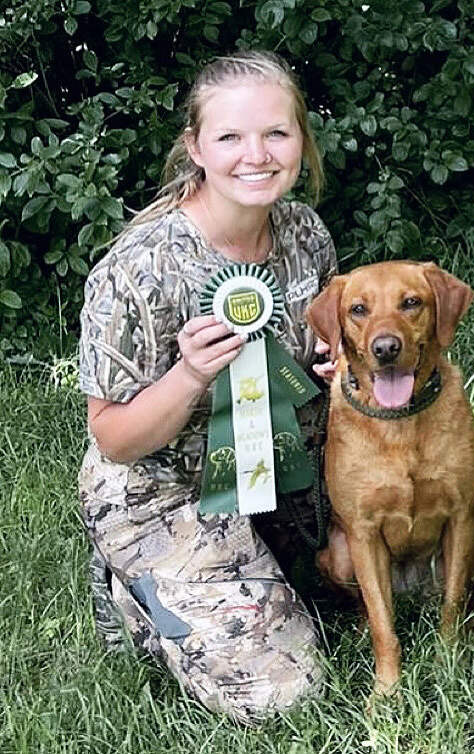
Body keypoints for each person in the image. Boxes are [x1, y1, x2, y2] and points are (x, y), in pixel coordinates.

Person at [78, 51, 336, 722]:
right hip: (163, 486)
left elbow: (309, 364)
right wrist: (190, 374)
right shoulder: (138, 267)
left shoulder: (305, 234)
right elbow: (112, 436)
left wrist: (334, 369)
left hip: (281, 463)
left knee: (403, 578)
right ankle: (133, 587)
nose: (257, 154)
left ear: (301, 140)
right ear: (195, 147)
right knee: (279, 693)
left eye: (276, 133)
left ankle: (254, 559)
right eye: (229, 137)